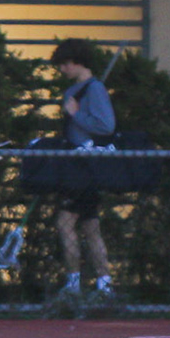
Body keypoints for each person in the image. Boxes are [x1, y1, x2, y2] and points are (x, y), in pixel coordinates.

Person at [50, 39, 116, 297]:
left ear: (77, 61)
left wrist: (76, 114)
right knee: (90, 227)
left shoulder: (94, 89)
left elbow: (106, 125)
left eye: (65, 64)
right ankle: (104, 282)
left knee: (65, 223)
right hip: (79, 165)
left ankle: (74, 283)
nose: (62, 69)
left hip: (82, 167)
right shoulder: (77, 89)